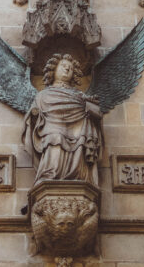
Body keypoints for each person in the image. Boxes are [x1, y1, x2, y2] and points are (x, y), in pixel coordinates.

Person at [22, 54, 102, 187]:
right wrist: (35, 114)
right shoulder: (43, 95)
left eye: (70, 68)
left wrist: (88, 107)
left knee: (81, 139)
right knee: (55, 137)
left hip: (78, 131)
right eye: (63, 66)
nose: (67, 70)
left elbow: (97, 113)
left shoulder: (80, 96)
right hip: (51, 129)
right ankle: (50, 175)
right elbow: (34, 116)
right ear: (53, 69)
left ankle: (78, 176)